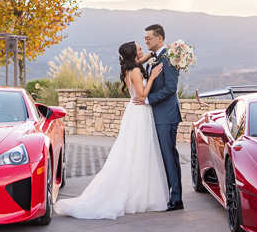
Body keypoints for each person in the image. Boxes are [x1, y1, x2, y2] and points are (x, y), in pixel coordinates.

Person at [53, 41, 169, 219]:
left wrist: (161, 51)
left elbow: (147, 57)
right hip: (139, 113)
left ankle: (141, 190)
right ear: (133, 54)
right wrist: (152, 76)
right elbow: (142, 95)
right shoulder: (137, 71)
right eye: (139, 48)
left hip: (137, 113)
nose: (142, 49)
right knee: (138, 151)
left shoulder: (134, 66)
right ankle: (136, 193)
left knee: (138, 151)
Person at [135, 23, 184, 210]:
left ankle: (177, 198)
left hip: (166, 115)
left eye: (149, 37)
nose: (146, 40)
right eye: (145, 38)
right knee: (161, 156)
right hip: (156, 115)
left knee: (169, 155)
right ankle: (165, 193)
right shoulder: (156, 57)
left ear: (160, 39)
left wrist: (147, 100)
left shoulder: (169, 58)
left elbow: (171, 89)